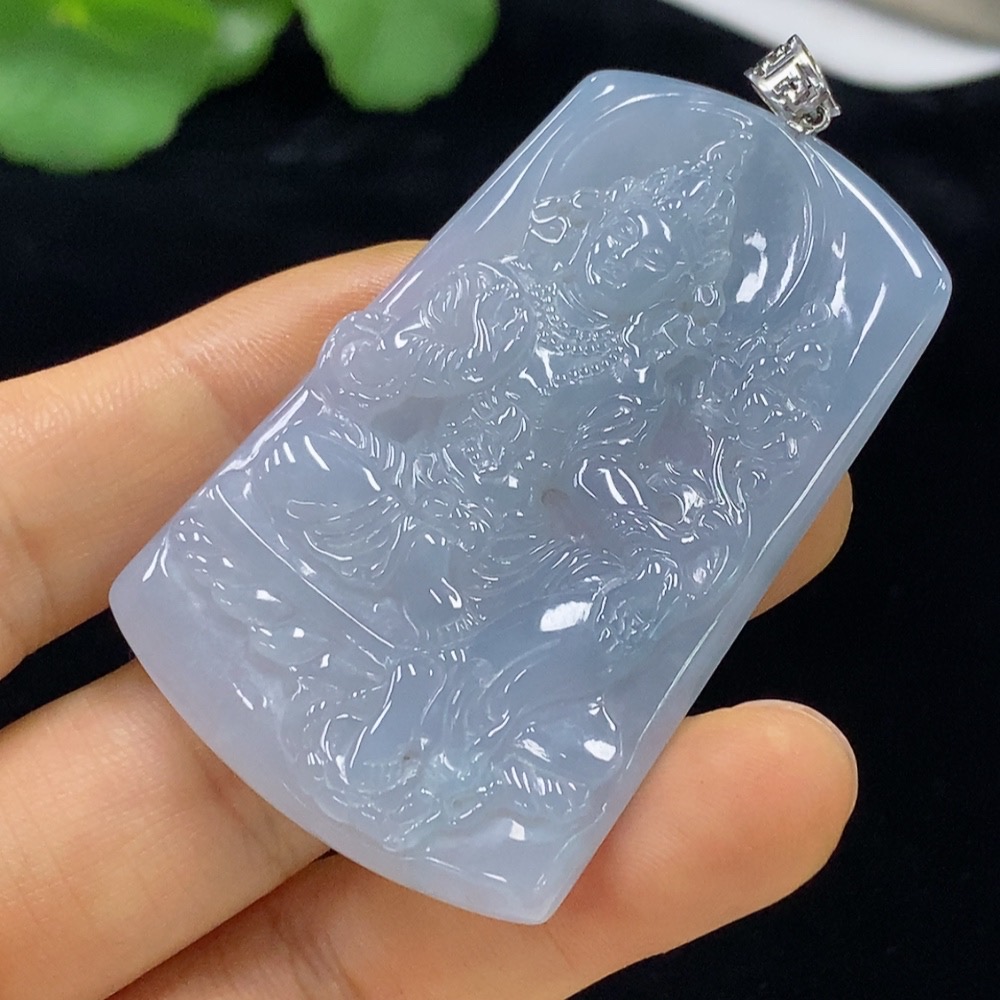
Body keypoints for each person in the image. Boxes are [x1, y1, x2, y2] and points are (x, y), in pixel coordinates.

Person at [0, 243, 857, 1000]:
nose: (628, 262)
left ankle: (433, 720)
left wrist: (650, 527)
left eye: (658, 262)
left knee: (563, 625)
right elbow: (400, 369)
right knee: (308, 456)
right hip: (408, 495)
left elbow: (613, 495)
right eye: (627, 239)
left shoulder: (638, 380)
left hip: (501, 548)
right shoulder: (516, 305)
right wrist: (376, 356)